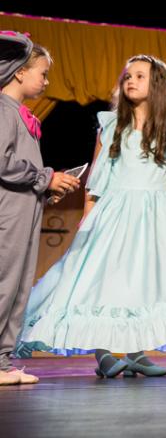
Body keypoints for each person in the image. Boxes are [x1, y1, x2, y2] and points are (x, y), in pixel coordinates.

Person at [17, 55, 166, 377]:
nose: (131, 80)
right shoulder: (111, 125)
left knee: (143, 283)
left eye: (140, 76)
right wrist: (88, 215)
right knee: (105, 281)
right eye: (128, 75)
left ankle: (137, 353)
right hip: (114, 212)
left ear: (156, 85)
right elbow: (97, 176)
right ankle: (103, 352)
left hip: (155, 214)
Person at [0, 32, 80, 385]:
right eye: (42, 74)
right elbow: (2, 163)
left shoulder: (20, 115)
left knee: (18, 285)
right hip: (8, 212)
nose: (46, 82)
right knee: (5, 281)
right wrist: (46, 177)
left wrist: (48, 189)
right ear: (20, 72)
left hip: (25, 208)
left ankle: (3, 360)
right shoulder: (3, 110)